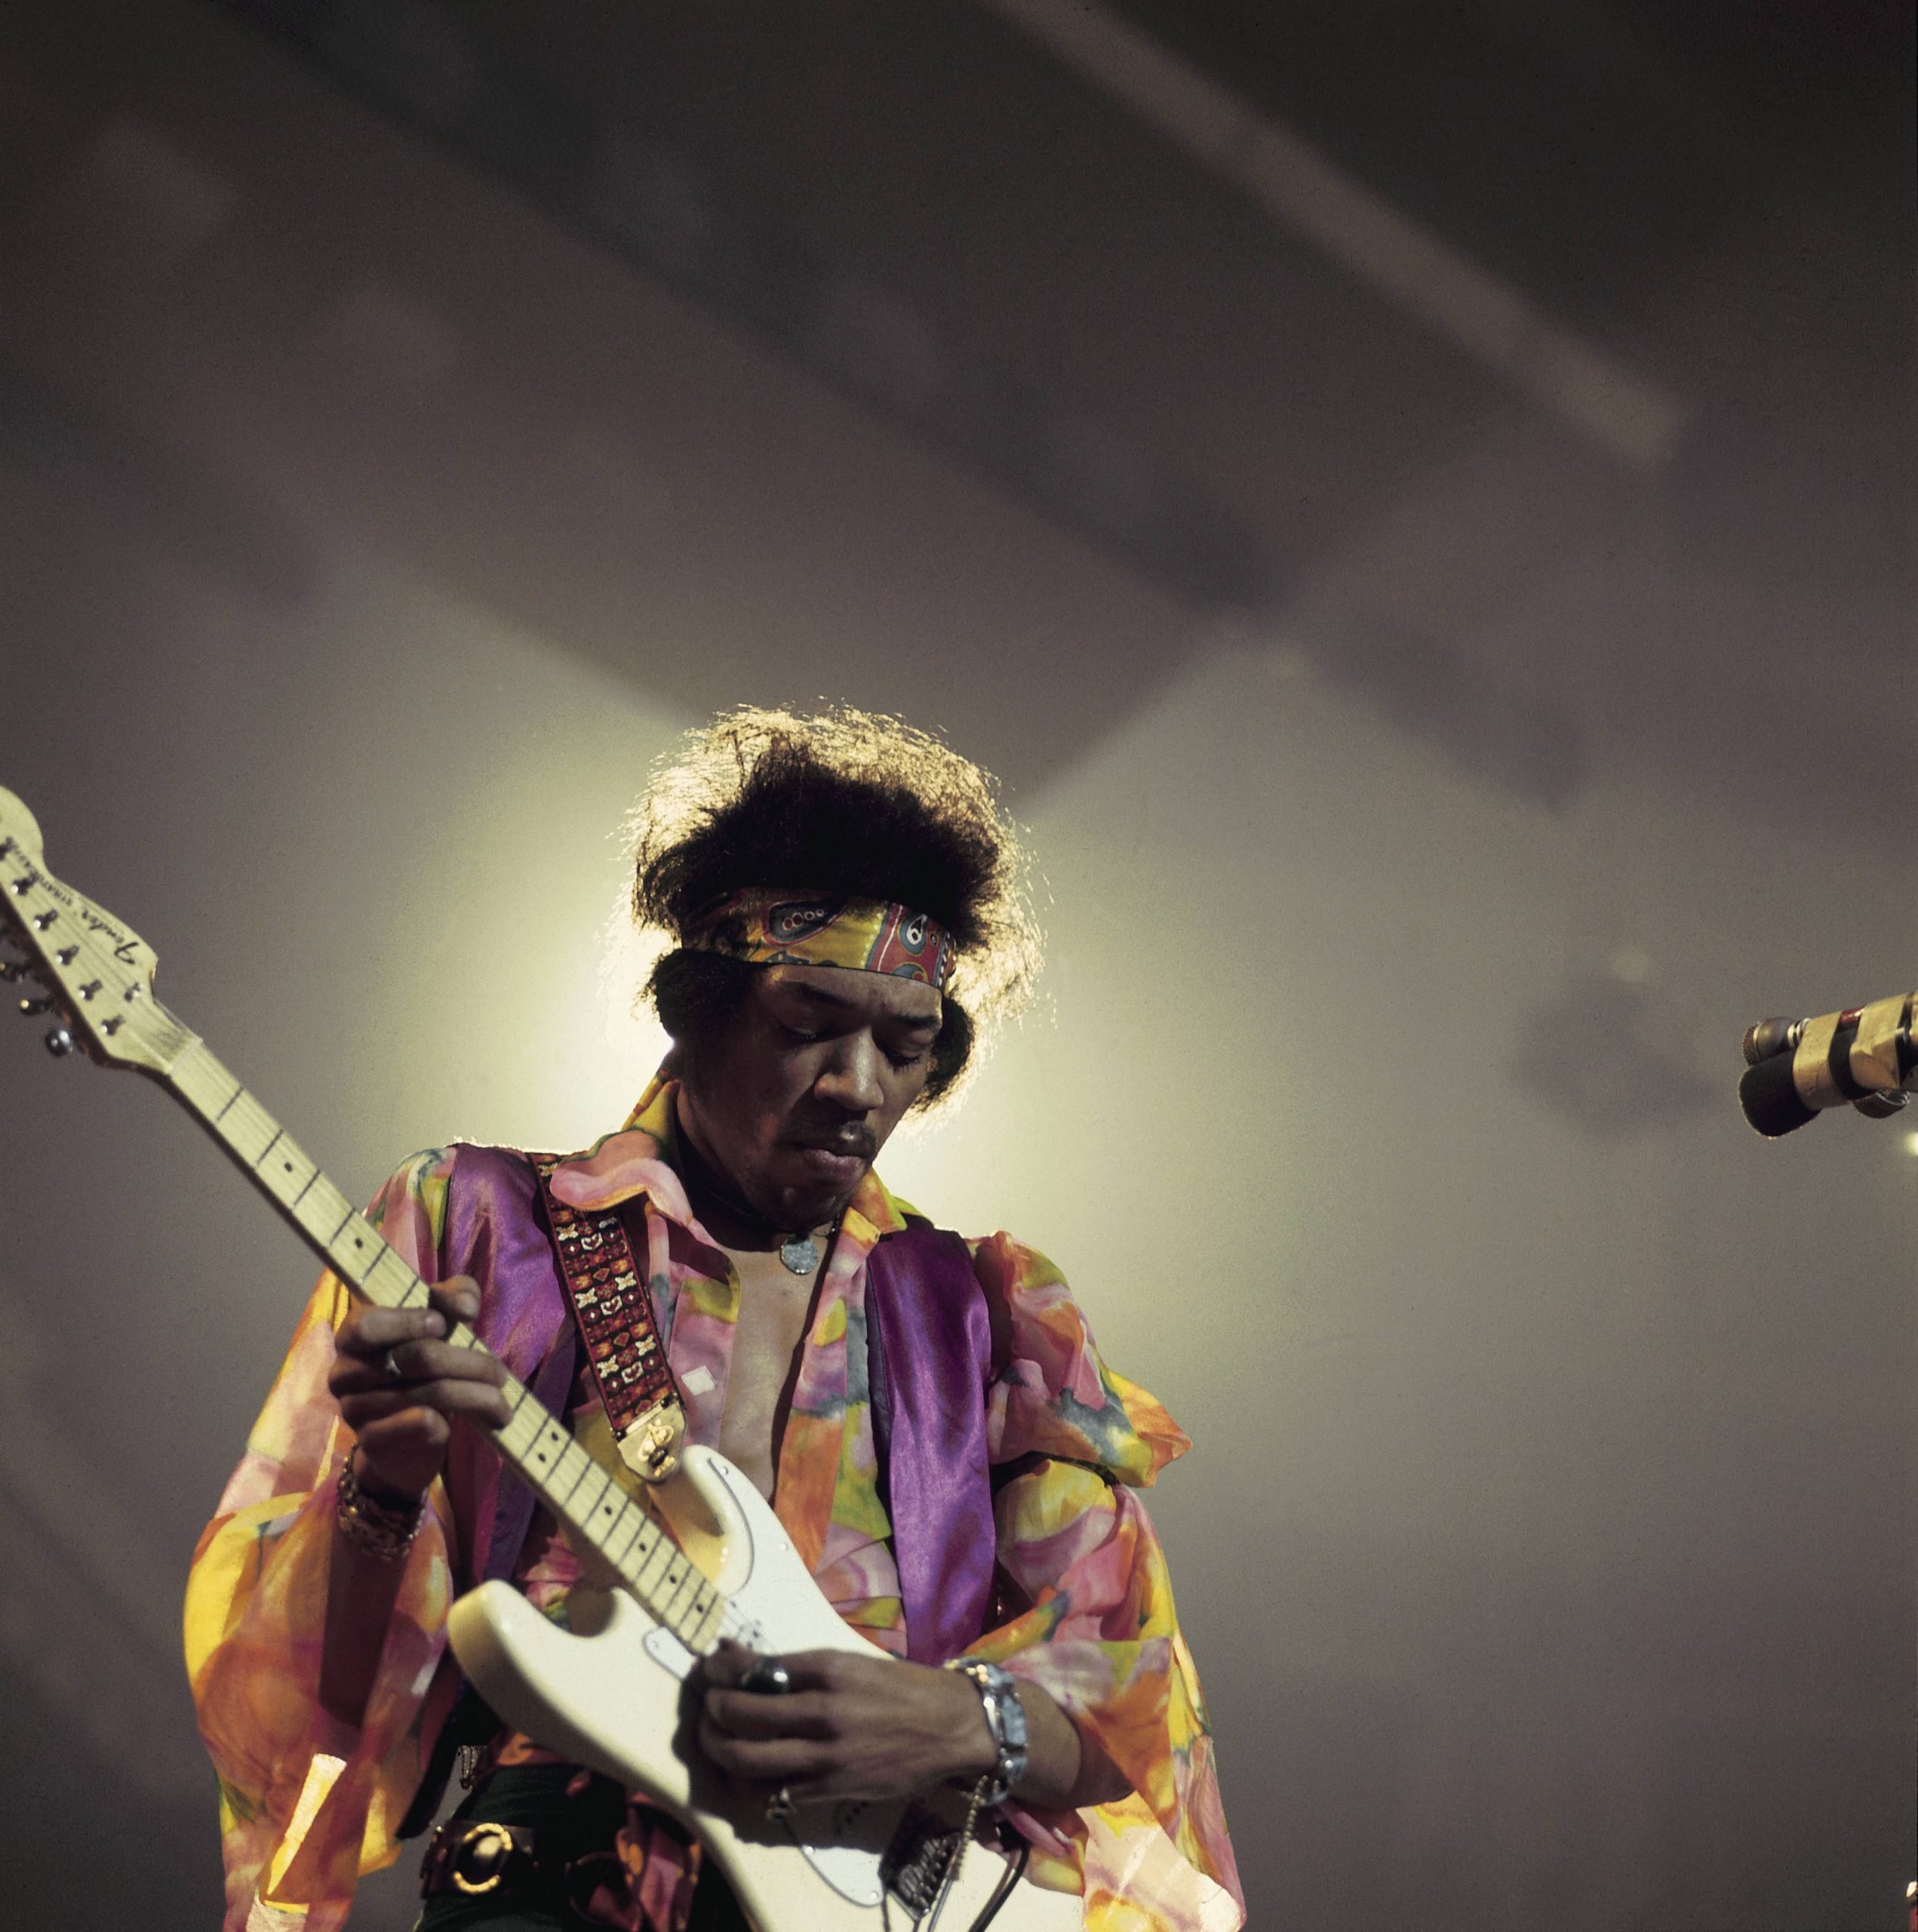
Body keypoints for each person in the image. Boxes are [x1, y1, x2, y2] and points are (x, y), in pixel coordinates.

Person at [186, 707, 1242, 1932]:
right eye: (805, 1029)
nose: (858, 1087)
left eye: (905, 1047)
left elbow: (1133, 1710)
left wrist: (966, 1721)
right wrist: (383, 1488)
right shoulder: (475, 1222)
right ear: (696, 1012)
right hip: (547, 1888)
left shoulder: (988, 1316)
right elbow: (293, 1712)